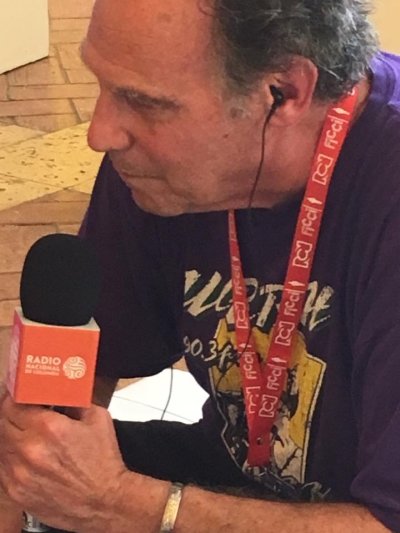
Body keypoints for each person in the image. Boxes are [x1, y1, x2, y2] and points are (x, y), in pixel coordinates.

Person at [0, 0, 400, 531]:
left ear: (283, 93)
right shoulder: (154, 171)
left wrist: (121, 504)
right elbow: (84, 372)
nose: (101, 133)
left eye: (144, 102)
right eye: (104, 86)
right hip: (243, 473)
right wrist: (28, 467)